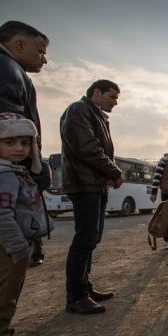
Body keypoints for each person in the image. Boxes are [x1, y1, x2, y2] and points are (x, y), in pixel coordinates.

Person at [60, 80, 123, 315]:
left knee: (91, 238)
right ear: (97, 92)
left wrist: (108, 174)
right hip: (84, 184)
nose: (115, 102)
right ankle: (76, 296)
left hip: (94, 185)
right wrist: (114, 171)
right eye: (112, 97)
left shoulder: (96, 115)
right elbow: (88, 148)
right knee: (84, 239)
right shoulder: (78, 110)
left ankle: (84, 288)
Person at [0, 113, 46, 336]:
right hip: (9, 250)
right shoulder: (5, 175)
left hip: (10, 249)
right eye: (10, 142)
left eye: (25, 143)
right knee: (3, 308)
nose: (19, 148)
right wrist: (19, 248)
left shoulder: (13, 170)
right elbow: (2, 216)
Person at [0, 21, 50, 270]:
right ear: (19, 44)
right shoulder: (7, 68)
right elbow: (11, 127)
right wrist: (34, 167)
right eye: (40, 51)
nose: (44, 59)